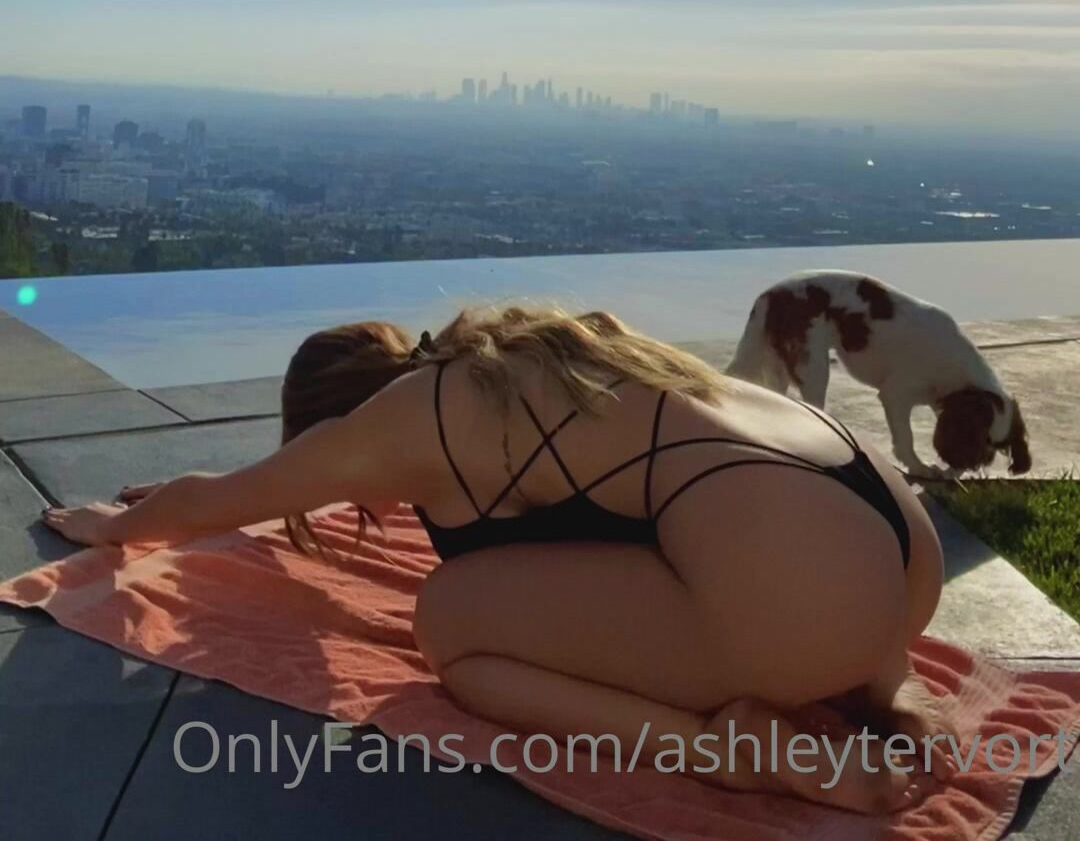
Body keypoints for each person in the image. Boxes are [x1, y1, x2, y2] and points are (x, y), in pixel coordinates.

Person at [43, 303, 951, 812]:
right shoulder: (531, 354)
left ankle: (738, 753)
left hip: (800, 595)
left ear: (333, 424)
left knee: (452, 621)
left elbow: (226, 498)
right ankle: (889, 692)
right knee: (719, 540)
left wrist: (117, 527)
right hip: (898, 553)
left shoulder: (406, 421)